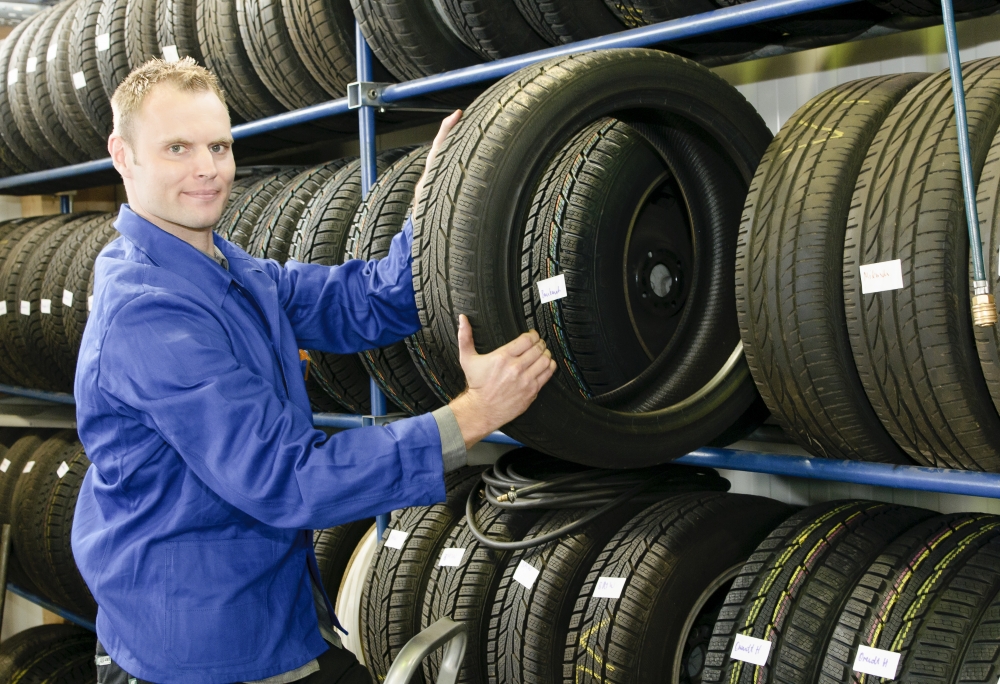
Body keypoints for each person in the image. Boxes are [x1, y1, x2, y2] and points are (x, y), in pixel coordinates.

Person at [70, 57, 556, 684]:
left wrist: (440, 197)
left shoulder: (232, 273)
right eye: (177, 148)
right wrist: (473, 415)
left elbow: (375, 299)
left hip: (271, 609)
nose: (207, 169)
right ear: (123, 155)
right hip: (200, 648)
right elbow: (288, 478)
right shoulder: (149, 314)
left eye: (218, 145)